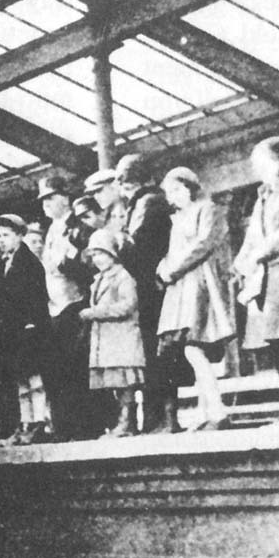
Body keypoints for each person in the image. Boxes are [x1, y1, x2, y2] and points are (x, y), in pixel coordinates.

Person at [157, 167, 236, 430]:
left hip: (202, 284)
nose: (173, 197)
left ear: (190, 187)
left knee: (194, 348)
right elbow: (172, 252)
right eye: (169, 193)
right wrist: (163, 267)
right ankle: (208, 413)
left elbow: (204, 243)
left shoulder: (208, 209)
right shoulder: (177, 218)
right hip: (182, 288)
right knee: (192, 348)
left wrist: (173, 267)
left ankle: (217, 413)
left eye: (177, 190)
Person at [115, 153, 172, 433]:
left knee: (153, 352)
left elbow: (135, 247)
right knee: (152, 353)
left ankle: (158, 417)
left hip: (149, 287)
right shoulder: (149, 201)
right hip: (151, 285)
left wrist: (118, 242)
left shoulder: (147, 202)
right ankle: (156, 417)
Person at [0, 214, 51, 443]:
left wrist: (31, 324)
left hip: (29, 329)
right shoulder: (2, 264)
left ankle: (39, 423)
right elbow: (0, 299)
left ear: (20, 235)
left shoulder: (29, 264)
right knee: (19, 380)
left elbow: (36, 298)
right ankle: (24, 425)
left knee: (34, 379)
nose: (1, 240)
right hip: (9, 331)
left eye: (6, 235)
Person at [38, 175, 92, 441]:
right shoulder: (51, 229)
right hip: (53, 308)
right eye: (43, 200)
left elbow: (90, 266)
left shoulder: (79, 227)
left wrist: (64, 264)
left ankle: (82, 427)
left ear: (65, 198)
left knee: (76, 368)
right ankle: (62, 427)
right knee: (56, 368)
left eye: (50, 197)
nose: (46, 204)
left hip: (74, 304)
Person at [79, 230, 145, 437]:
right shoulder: (99, 279)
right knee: (114, 383)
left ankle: (128, 422)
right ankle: (122, 421)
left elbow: (127, 305)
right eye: (94, 255)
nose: (97, 259)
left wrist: (95, 313)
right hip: (108, 338)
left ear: (112, 254)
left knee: (125, 383)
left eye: (101, 254)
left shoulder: (123, 276)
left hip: (122, 337)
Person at [235, 136, 279, 387]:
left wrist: (259, 254)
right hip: (269, 280)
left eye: (262, 161)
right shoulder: (262, 196)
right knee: (277, 340)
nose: (257, 168)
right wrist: (241, 262)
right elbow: (253, 234)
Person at [84, 168, 126, 234]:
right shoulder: (107, 218)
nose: (96, 197)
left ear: (114, 186)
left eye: (99, 191)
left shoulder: (132, 209)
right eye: (93, 193)